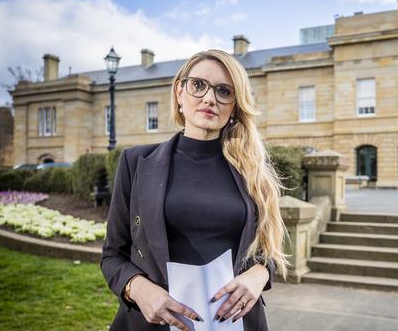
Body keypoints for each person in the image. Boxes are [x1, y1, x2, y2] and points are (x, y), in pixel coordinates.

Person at [100, 49, 289, 331]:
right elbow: (113, 255)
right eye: (198, 85)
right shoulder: (136, 163)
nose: (209, 98)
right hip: (152, 324)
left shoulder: (251, 171)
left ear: (235, 105)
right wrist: (137, 289)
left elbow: (267, 251)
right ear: (179, 92)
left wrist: (260, 275)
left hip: (234, 324)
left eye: (224, 91)